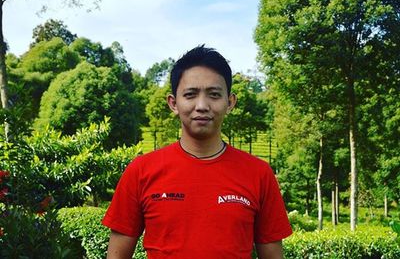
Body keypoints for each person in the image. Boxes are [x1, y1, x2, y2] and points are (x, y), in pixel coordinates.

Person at [102, 45, 292, 259]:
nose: (202, 105)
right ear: (173, 103)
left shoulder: (259, 174)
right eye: (190, 94)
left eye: (214, 95)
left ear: (230, 103)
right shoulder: (141, 171)